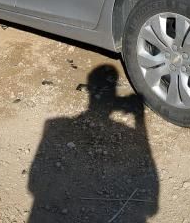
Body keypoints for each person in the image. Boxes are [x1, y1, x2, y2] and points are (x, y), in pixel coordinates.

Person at [28, 65, 158, 222]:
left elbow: (33, 183)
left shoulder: (54, 124)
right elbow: (151, 207)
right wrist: (139, 117)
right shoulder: (54, 125)